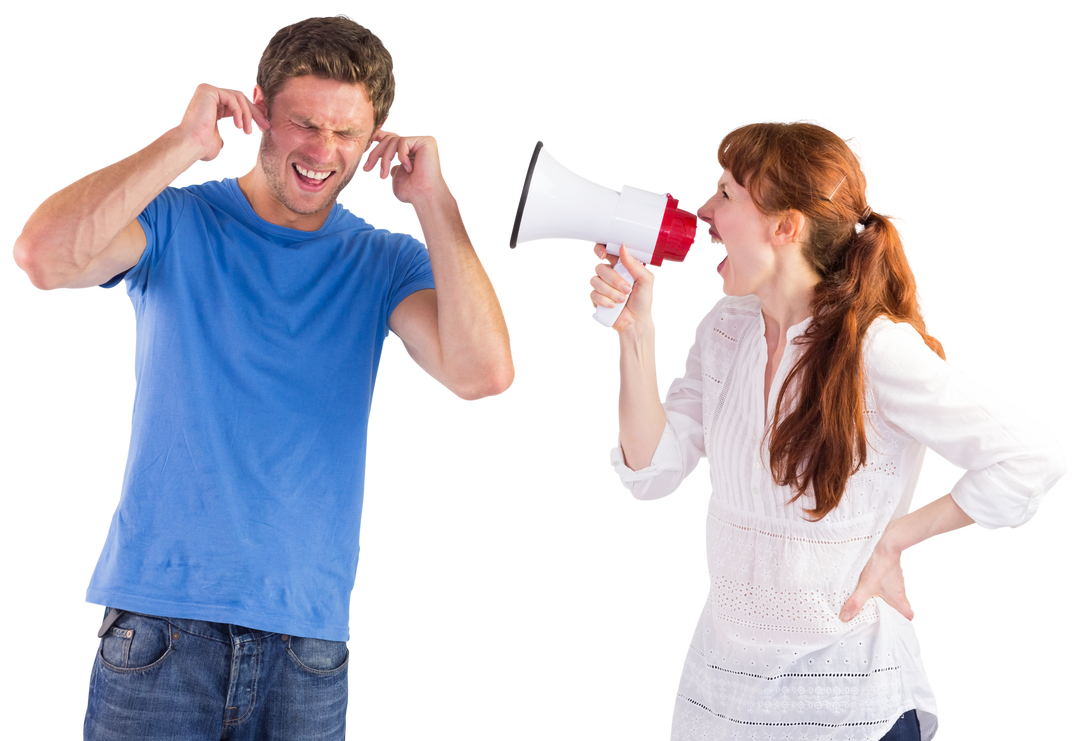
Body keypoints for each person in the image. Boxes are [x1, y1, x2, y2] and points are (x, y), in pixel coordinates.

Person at [11, 12, 515, 740]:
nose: (323, 151)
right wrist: (182, 143)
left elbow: (485, 374)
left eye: (346, 134)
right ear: (259, 111)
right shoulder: (177, 220)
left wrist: (436, 200)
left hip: (307, 644)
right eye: (305, 124)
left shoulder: (387, 260)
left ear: (375, 140)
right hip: (157, 631)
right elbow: (41, 259)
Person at [587, 113, 1067, 740]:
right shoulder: (724, 329)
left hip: (852, 709)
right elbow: (650, 474)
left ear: (786, 227)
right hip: (724, 704)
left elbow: (1033, 456)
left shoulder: (875, 349)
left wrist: (895, 540)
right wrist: (635, 332)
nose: (701, 211)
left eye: (726, 193)